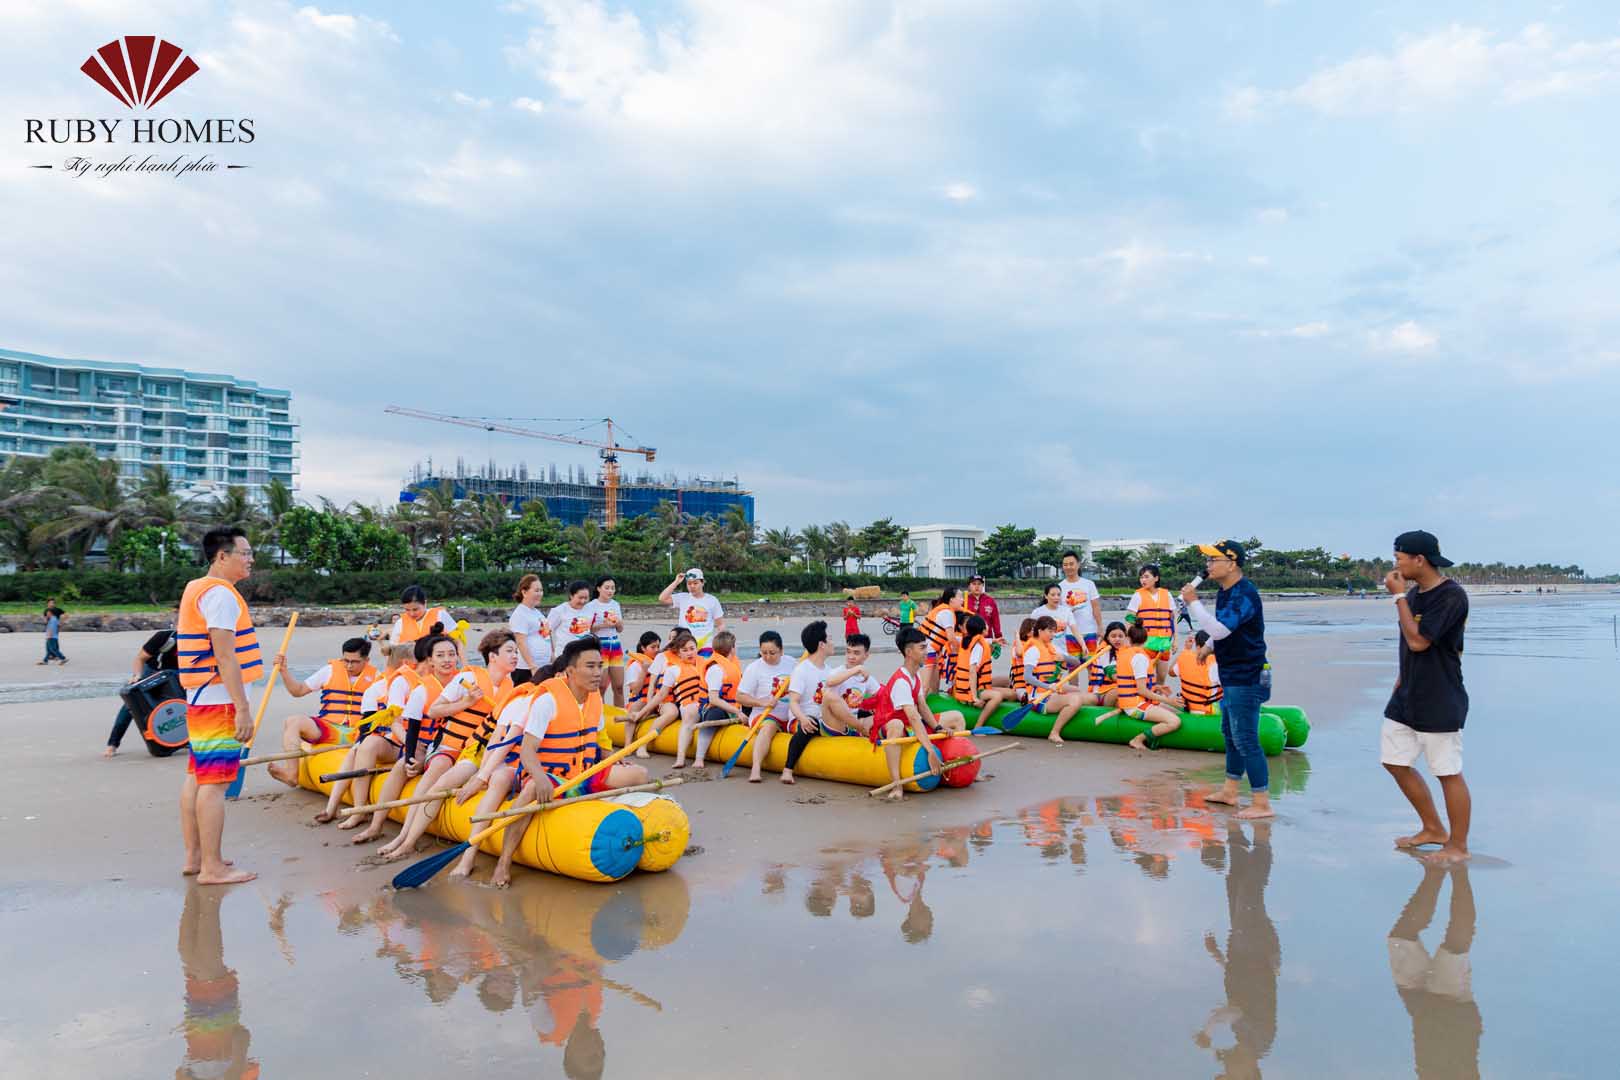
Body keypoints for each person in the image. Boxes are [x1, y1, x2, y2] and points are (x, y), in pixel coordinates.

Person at [490, 636, 652, 887]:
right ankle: (504, 862)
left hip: (584, 774)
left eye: (600, 666)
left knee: (639, 774)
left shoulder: (595, 699)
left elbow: (598, 743)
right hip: (552, 778)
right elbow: (527, 751)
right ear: (570, 670)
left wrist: (613, 762)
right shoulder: (548, 700)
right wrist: (541, 778)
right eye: (590, 666)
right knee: (532, 788)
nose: (598, 672)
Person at [377, 629, 523, 862]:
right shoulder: (468, 678)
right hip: (451, 745)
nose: (516, 656)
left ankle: (407, 839)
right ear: (492, 657)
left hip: (477, 752)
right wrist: (466, 702)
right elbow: (434, 710)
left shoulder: (511, 685)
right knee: (434, 778)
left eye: (516, 651)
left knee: (448, 779)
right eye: (510, 651)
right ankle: (405, 839)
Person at [175, 525, 262, 885]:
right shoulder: (220, 594)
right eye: (245, 553)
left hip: (199, 697)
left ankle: (197, 857)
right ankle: (212, 867)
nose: (251, 559)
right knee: (214, 783)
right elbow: (225, 657)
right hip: (218, 699)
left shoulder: (197, 588)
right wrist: (242, 708)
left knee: (197, 776)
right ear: (222, 556)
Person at [1382, 530, 1471, 864]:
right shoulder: (1415, 593)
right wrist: (1402, 677)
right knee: (1394, 761)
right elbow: (1409, 643)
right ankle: (1433, 828)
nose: (1396, 564)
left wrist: (1398, 598)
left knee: (1447, 771)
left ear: (1419, 559)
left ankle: (1458, 846)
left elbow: (1420, 641)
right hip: (1407, 694)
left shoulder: (1451, 596)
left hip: (1440, 696)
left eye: (1399, 558)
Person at [1183, 540, 1273, 820]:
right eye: (1207, 560)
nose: (1208, 565)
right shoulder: (1226, 591)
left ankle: (1262, 802)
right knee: (1230, 734)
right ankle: (1230, 790)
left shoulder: (1244, 593)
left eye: (1214, 560)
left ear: (1232, 563)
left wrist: (1194, 603)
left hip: (1248, 675)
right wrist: (1208, 645)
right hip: (1231, 673)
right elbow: (1222, 629)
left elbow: (1222, 628)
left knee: (1246, 738)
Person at [350, 633, 460, 845]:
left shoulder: (463, 681)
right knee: (401, 766)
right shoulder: (420, 688)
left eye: (451, 655)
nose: (447, 660)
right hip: (422, 743)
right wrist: (411, 758)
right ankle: (376, 825)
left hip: (451, 746)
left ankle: (403, 836)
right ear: (429, 660)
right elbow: (404, 725)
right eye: (440, 655)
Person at [1387, 864, 1480, 1076]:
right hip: (1452, 1014)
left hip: (1421, 1014)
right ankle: (1459, 877)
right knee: (1455, 947)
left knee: (1400, 938)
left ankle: (1437, 874)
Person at [265, 637, 379, 786]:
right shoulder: (330, 671)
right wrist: (283, 671)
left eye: (354, 662)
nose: (349, 666)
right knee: (293, 721)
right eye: (346, 660)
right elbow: (298, 691)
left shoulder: (377, 678)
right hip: (329, 729)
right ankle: (292, 774)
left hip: (357, 733)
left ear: (366, 660)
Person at [865, 627, 951, 802]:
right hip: (889, 724)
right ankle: (897, 785)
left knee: (955, 717)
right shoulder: (901, 681)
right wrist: (929, 750)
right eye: (922, 648)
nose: (926, 651)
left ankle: (950, 770)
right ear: (909, 652)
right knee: (896, 725)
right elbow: (913, 716)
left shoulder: (915, 676)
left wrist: (938, 727)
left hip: (909, 725)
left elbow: (922, 706)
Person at [105, 624, 180, 756]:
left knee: (180, 709)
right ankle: (113, 744)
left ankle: (181, 740)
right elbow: (140, 658)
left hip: (173, 679)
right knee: (129, 709)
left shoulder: (198, 641)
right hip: (150, 675)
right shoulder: (164, 637)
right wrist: (137, 677)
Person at [737, 630, 797, 784]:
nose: (768, 657)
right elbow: (740, 697)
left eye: (773, 653)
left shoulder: (792, 663)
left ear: (781, 650)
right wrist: (762, 702)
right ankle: (756, 768)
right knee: (769, 727)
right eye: (764, 653)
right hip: (764, 715)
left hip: (791, 714)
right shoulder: (754, 668)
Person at [1114, 623, 1185, 752]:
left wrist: (1157, 687)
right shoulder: (1140, 658)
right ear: (1146, 640)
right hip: (1134, 706)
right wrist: (1169, 700)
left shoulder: (1125, 654)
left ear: (1128, 639)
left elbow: (1134, 684)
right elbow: (1141, 690)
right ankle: (1138, 739)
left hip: (1133, 702)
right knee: (1174, 721)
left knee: (1179, 712)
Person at [782, 620, 837, 785]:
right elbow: (793, 702)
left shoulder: (829, 671)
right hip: (800, 719)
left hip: (823, 719)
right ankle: (787, 770)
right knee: (810, 724)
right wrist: (802, 719)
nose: (833, 643)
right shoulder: (802, 670)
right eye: (830, 639)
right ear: (821, 644)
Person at [1021, 615, 1086, 745]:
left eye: (1054, 631)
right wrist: (1047, 687)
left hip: (1053, 691)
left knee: (1078, 691)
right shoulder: (1033, 651)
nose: (1053, 634)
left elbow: (1077, 662)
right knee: (1075, 699)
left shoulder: (1053, 647)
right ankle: (1054, 732)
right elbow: (1027, 677)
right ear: (1040, 631)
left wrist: (1064, 658)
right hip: (1038, 697)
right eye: (1050, 631)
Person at [690, 630, 743, 771]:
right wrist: (736, 711)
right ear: (732, 648)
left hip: (732, 706)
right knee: (714, 714)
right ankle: (699, 758)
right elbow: (713, 699)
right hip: (712, 707)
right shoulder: (716, 669)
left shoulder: (732, 665)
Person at [950, 614, 1015, 720]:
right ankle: (979, 725)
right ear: (983, 629)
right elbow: (972, 672)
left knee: (1009, 689)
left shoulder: (967, 640)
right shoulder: (978, 646)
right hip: (972, 689)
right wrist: (975, 698)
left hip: (971, 686)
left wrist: (994, 641)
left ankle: (991, 707)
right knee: (999, 696)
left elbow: (984, 640)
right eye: (986, 624)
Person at [1125, 564, 1176, 688]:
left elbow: (1172, 620)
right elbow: (1129, 619)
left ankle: (1158, 702)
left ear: (1156, 578)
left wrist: (1175, 641)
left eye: (1146, 577)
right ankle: (1146, 703)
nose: (1143, 580)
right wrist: (1129, 640)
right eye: (1141, 577)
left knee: (1162, 678)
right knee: (1146, 677)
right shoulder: (1138, 595)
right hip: (1145, 642)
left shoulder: (1167, 595)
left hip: (1164, 642)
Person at [821, 633, 880, 737]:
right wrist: (856, 669)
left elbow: (882, 696)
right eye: (848, 652)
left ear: (866, 655)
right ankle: (861, 730)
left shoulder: (867, 678)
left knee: (885, 715)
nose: (851, 657)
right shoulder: (837, 672)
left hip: (853, 722)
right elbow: (829, 682)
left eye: (856, 653)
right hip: (834, 723)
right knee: (829, 695)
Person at [659, 567, 725, 655]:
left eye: (695, 583)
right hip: (685, 646)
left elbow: (720, 625)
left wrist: (720, 644)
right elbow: (662, 598)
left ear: (702, 583)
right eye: (689, 583)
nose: (692, 586)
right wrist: (676, 582)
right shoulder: (683, 597)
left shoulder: (712, 600)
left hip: (706, 646)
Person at [586, 576, 627, 708]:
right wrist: (604, 625)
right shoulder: (591, 606)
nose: (610, 591)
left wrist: (618, 623)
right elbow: (588, 629)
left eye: (613, 588)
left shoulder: (615, 604)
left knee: (619, 686)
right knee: (602, 686)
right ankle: (600, 717)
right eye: (607, 588)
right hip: (600, 645)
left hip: (614, 645)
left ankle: (620, 717)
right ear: (599, 588)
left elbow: (620, 629)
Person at [916, 586, 964, 695]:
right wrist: (963, 651)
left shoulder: (945, 610)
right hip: (927, 652)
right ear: (951, 599)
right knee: (925, 687)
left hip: (931, 651)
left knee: (935, 685)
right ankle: (914, 709)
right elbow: (951, 639)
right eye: (960, 597)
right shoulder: (947, 613)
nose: (963, 600)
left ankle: (932, 704)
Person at [1057, 551, 1104, 661]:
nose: (1068, 567)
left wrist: (1100, 627)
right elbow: (1057, 612)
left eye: (1071, 564)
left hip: (1089, 631)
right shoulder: (1059, 587)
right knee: (1072, 667)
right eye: (1065, 564)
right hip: (1069, 634)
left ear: (1078, 565)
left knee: (1092, 665)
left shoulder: (1089, 584)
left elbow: (1096, 607)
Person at [507, 574, 552, 686]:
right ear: (524, 592)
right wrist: (532, 666)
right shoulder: (520, 614)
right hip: (527, 669)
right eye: (536, 590)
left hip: (543, 665)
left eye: (541, 590)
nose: (540, 594)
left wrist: (552, 655)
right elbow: (520, 642)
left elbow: (546, 635)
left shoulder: (536, 612)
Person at [622, 631, 662, 751]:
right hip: (641, 699)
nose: (656, 650)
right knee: (635, 708)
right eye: (653, 647)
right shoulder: (635, 666)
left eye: (658, 647)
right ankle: (627, 744)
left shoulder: (660, 662)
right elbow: (635, 689)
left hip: (657, 699)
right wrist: (644, 671)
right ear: (643, 648)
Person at [1176, 630, 1222, 715]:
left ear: (1197, 646)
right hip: (1208, 711)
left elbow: (1171, 672)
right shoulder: (1215, 663)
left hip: (1189, 707)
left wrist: (1185, 650)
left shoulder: (1184, 656)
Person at [547, 580, 597, 656]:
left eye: (586, 598)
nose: (583, 601)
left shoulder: (590, 609)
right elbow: (546, 632)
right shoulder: (559, 611)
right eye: (580, 598)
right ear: (571, 595)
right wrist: (552, 652)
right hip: (564, 654)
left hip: (584, 655)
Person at [964, 575, 1002, 640]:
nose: (977, 586)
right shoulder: (964, 601)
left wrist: (998, 636)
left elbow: (996, 620)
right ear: (969, 586)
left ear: (982, 586)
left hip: (987, 638)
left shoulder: (990, 601)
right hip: (970, 638)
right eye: (974, 584)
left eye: (979, 584)